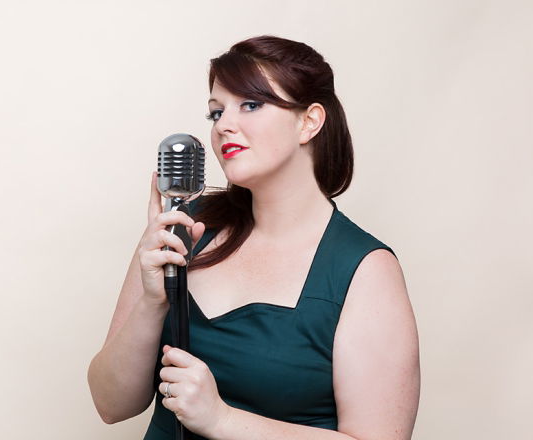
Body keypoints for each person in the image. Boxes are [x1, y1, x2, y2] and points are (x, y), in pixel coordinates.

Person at [88, 35, 420, 440]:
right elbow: (110, 405)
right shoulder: (184, 229)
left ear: (309, 121)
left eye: (250, 104)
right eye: (216, 112)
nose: (223, 125)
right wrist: (153, 302)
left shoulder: (364, 270)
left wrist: (221, 419)